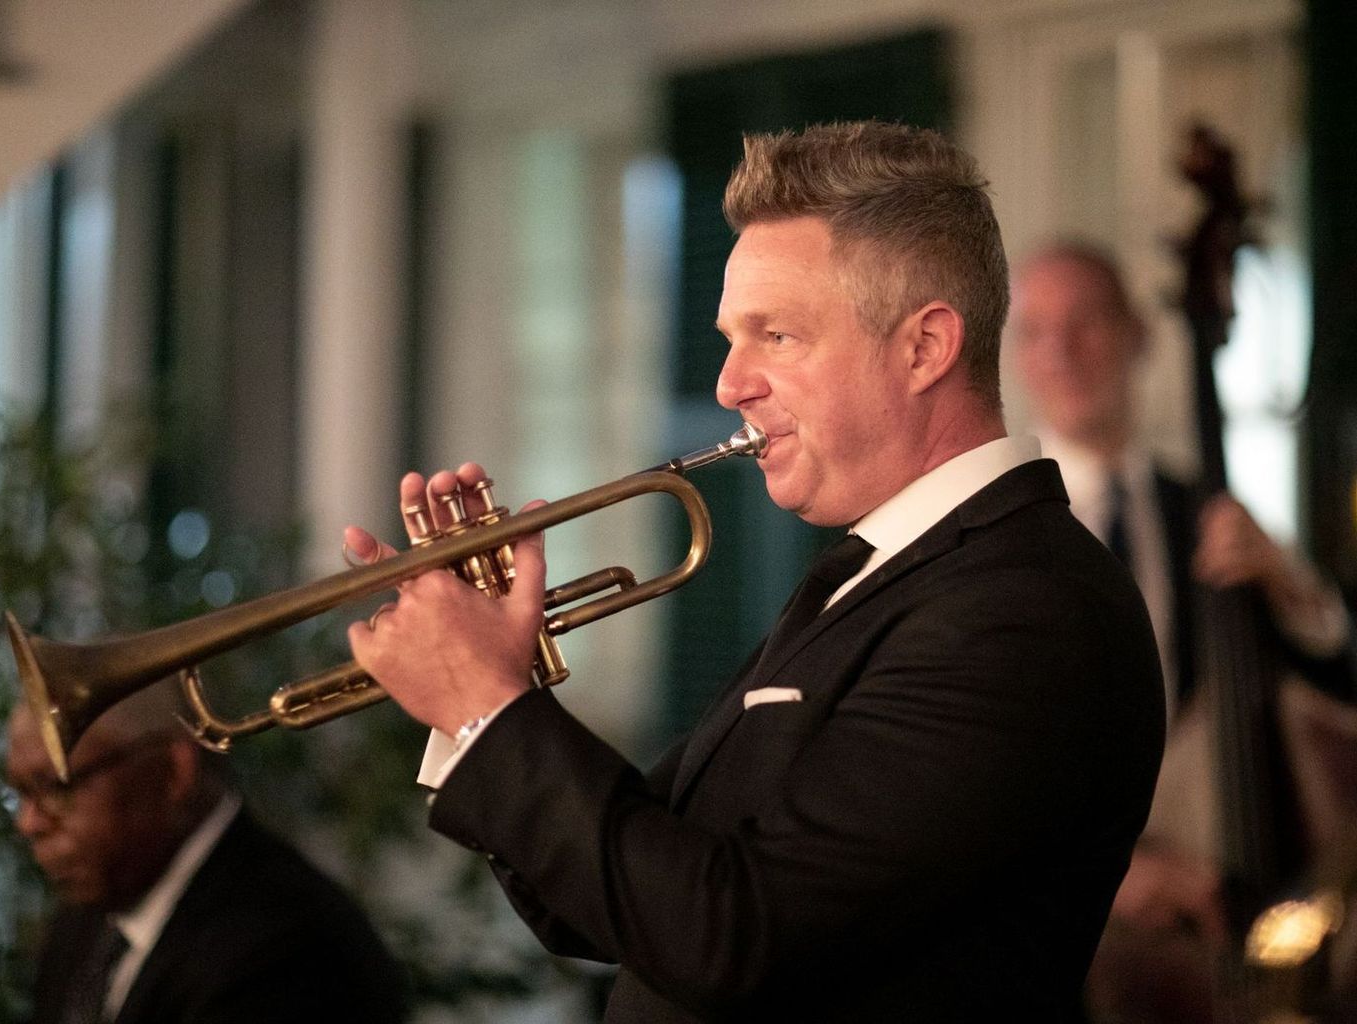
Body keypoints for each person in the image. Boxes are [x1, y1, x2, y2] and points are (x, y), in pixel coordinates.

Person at [342, 121, 1165, 1022]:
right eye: (732, 338)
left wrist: (485, 704)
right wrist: (494, 680)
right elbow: (609, 905)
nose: (729, 384)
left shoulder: (1020, 610)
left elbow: (734, 940)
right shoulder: (883, 575)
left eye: (776, 335)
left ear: (924, 348)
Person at [1010, 240, 1355, 1016]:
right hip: (1044, 929)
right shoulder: (995, 528)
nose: (1061, 352)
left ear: (1137, 335)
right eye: (1035, 331)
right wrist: (1103, 867)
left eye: (1085, 323)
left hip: (1208, 907)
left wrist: (1290, 586)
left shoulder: (1204, 512)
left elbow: (1334, 694)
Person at [4, 684, 409, 1024]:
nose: (28, 823)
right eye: (20, 792)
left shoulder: (292, 948)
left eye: (57, 788)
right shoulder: (90, 911)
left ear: (173, 770)